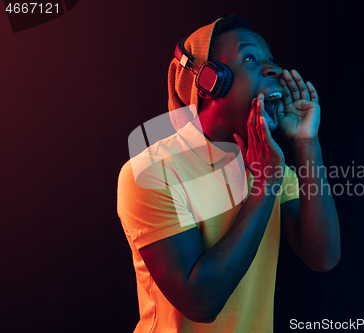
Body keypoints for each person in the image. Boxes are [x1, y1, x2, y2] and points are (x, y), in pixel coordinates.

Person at [117, 14, 341, 333]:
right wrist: (263, 189)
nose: (273, 69)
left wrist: (308, 144)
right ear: (211, 82)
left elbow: (324, 256)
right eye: (249, 58)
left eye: (272, 60)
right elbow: (201, 302)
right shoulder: (150, 172)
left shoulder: (273, 167)